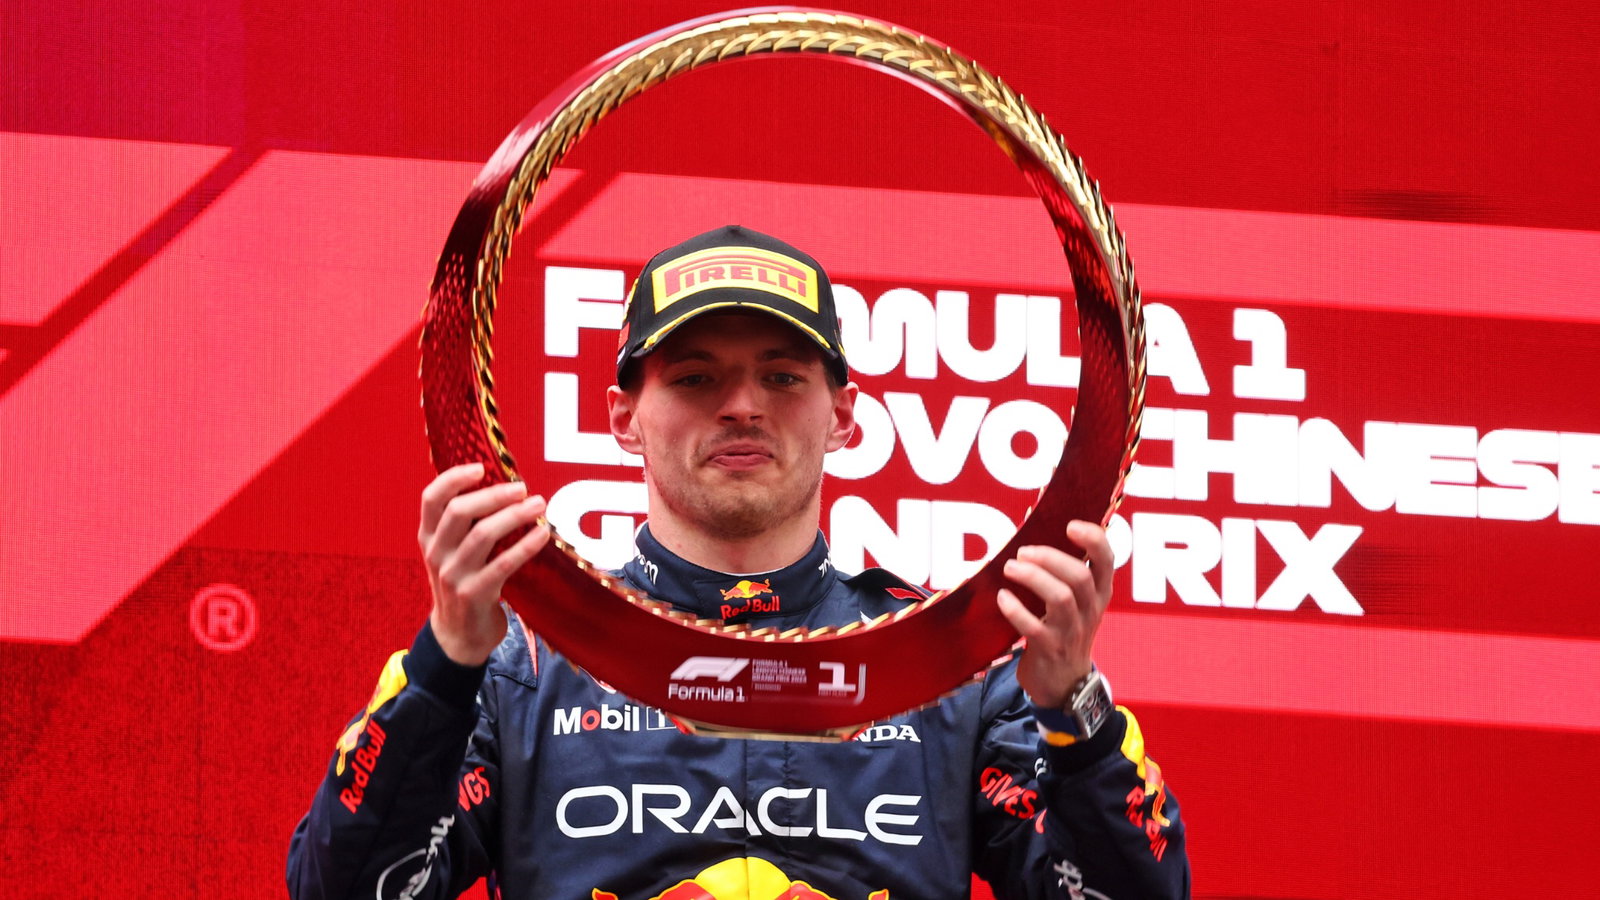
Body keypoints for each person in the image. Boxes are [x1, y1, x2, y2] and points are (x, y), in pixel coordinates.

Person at [287, 225, 1189, 900]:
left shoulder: (949, 671)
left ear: (844, 414)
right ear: (620, 416)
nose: (743, 406)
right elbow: (339, 891)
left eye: (783, 375)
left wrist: (1074, 705)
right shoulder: (523, 663)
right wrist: (445, 664)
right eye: (694, 377)